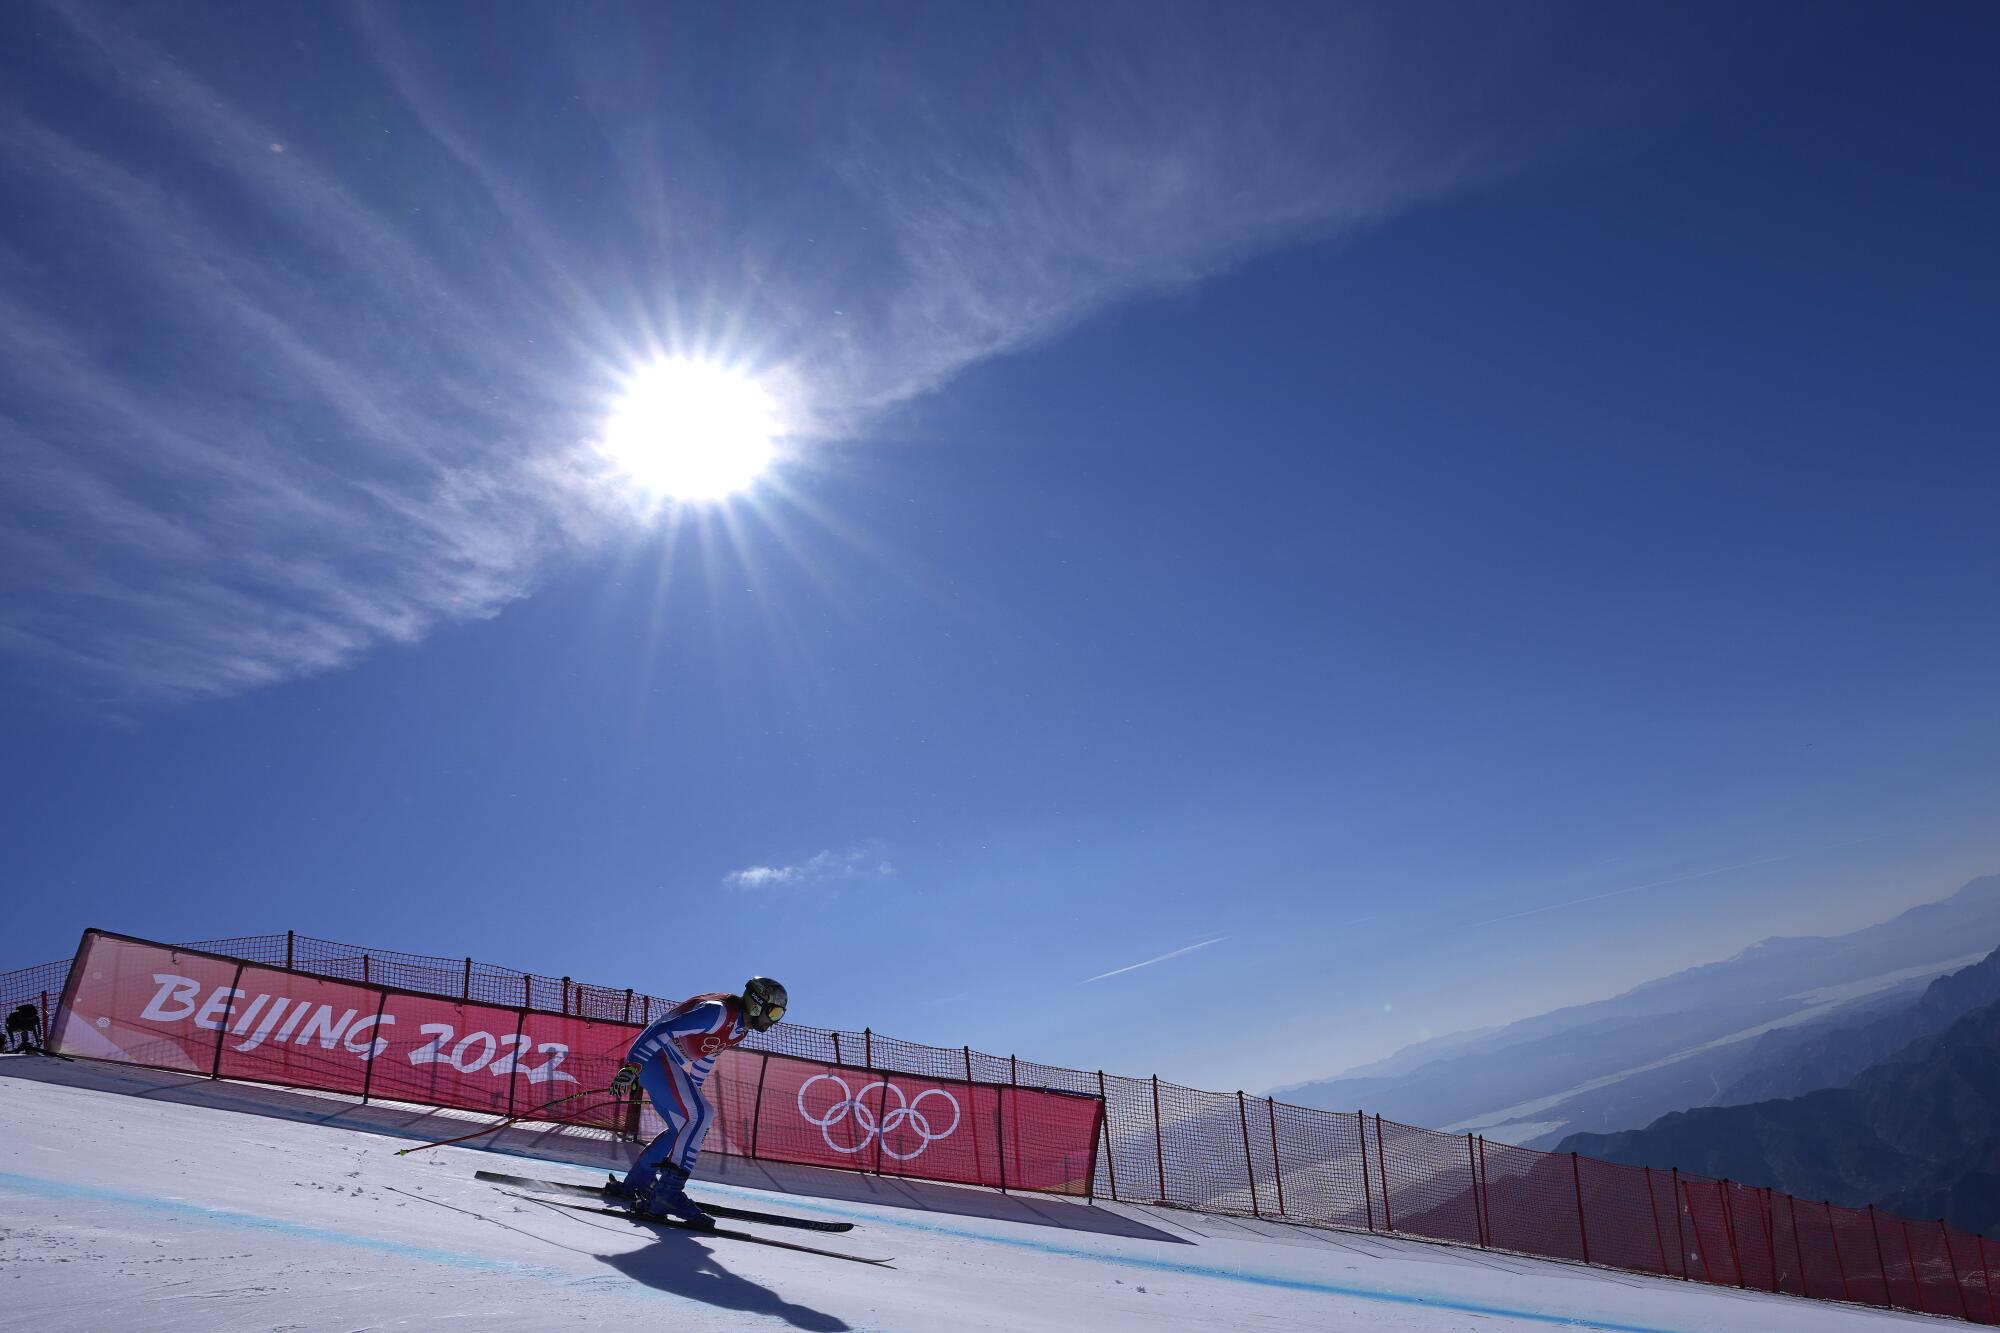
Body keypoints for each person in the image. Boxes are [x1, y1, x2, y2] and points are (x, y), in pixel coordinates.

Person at [606, 976, 787, 1226]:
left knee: (685, 1126)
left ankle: (637, 1182)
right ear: (757, 1004)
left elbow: (706, 1056)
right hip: (655, 1058)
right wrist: (633, 1065)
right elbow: (661, 1029)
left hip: (662, 1065)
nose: (774, 1021)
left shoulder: (739, 1030)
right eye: (774, 1013)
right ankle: (667, 1194)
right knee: (700, 1116)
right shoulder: (718, 1013)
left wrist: (693, 1093)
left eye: (780, 1015)